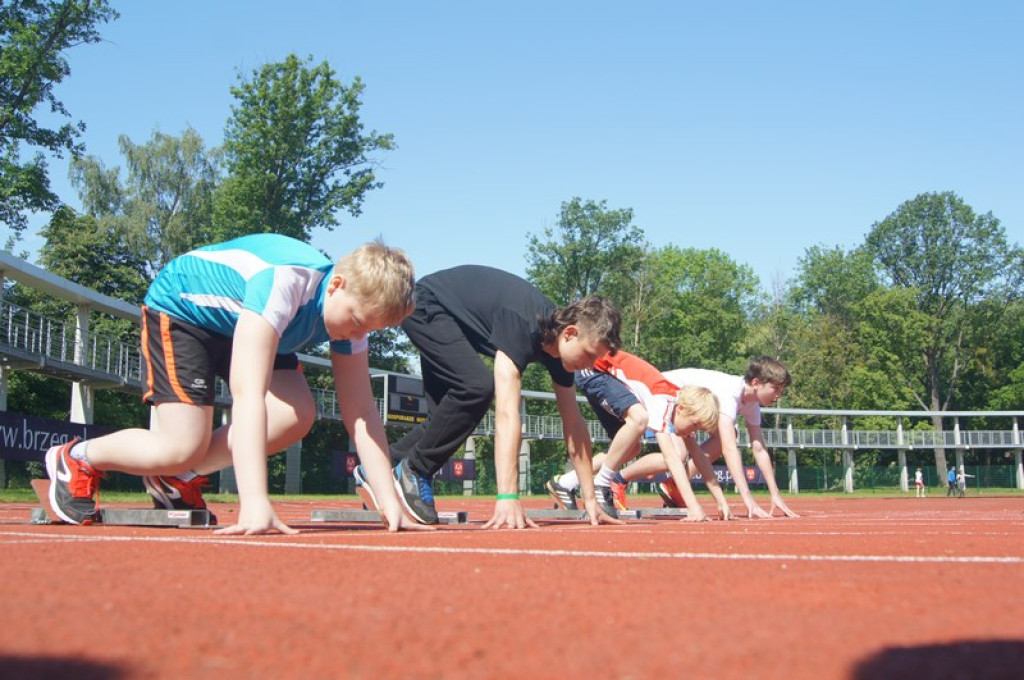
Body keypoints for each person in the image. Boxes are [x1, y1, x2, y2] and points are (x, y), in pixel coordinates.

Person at [45, 234, 423, 535]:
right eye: (358, 321)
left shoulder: (352, 317)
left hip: (249, 322)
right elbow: (248, 396)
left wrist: (389, 501)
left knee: (297, 414)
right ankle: (76, 458)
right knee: (181, 446)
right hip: (185, 311)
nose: (358, 334)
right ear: (336, 284)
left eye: (371, 330)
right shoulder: (285, 284)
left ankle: (176, 477)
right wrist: (255, 501)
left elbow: (361, 413)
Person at [384, 264, 622, 529]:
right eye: (589, 354)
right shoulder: (523, 325)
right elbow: (507, 413)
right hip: (427, 304)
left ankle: (382, 468)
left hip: (454, 319)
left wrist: (590, 498)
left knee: (446, 417)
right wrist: (508, 495)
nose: (589, 364)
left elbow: (574, 426)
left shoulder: (561, 355)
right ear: (570, 333)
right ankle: (415, 470)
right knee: (476, 387)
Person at [545, 349, 732, 521]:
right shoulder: (663, 402)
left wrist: (721, 500)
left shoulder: (678, 406)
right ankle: (601, 484)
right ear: (682, 409)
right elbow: (672, 458)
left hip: (602, 374)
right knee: (639, 420)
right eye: (694, 425)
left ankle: (565, 483)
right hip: (592, 369)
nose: (693, 432)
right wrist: (693, 506)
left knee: (632, 448)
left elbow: (699, 456)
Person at [613, 356, 798, 518]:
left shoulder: (751, 404)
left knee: (727, 435)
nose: (778, 396)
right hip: (662, 395)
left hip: (687, 404)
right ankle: (618, 479)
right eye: (775, 389)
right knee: (678, 454)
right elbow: (729, 449)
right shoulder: (729, 395)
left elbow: (759, 448)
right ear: (756, 383)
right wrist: (748, 499)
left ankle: (675, 486)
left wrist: (775, 494)